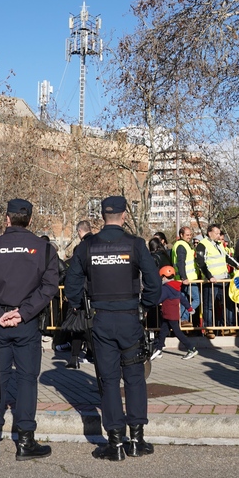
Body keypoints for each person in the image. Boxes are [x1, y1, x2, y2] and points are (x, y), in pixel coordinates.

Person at [64, 195, 161, 461]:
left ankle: (115, 442)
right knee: (134, 377)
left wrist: (79, 308)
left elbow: (71, 286)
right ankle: (137, 439)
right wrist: (145, 306)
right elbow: (154, 283)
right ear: (125, 216)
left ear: (102, 217)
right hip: (130, 318)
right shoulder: (135, 244)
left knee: (107, 380)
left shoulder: (87, 246)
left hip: (101, 320)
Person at [0, 199, 60, 461]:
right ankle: (25, 441)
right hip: (27, 323)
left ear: (7, 219)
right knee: (26, 380)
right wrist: (23, 313)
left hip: (0, 324)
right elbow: (49, 286)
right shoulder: (43, 248)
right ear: (29, 220)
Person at [152, 265, 197, 360]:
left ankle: (191, 348)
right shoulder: (176, 287)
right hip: (172, 314)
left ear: (164, 277)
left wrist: (150, 302)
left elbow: (159, 300)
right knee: (163, 332)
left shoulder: (166, 288)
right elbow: (183, 299)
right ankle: (159, 349)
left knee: (178, 333)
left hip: (169, 314)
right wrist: (189, 308)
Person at [195, 224, 232, 330]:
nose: (218, 235)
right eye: (216, 233)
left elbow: (226, 257)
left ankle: (228, 327)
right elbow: (200, 262)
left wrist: (238, 265)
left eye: (219, 233)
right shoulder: (203, 244)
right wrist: (209, 276)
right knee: (209, 306)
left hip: (224, 279)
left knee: (227, 304)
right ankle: (209, 328)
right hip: (211, 281)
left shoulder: (219, 244)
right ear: (209, 233)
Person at [172, 226, 200, 327]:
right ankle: (184, 318)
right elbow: (181, 262)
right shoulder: (181, 246)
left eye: (190, 235)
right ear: (181, 235)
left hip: (183, 278)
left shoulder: (181, 245)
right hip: (187, 279)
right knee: (197, 299)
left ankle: (182, 320)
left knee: (184, 300)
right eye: (187, 235)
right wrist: (184, 278)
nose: (189, 237)